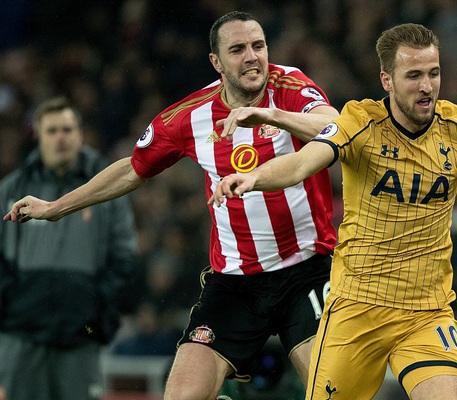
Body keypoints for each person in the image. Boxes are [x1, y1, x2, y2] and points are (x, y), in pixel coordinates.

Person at [213, 23, 457, 399]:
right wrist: (253, 177)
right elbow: (300, 164)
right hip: (355, 310)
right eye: (414, 75)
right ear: (387, 80)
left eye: (433, 73)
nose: (427, 86)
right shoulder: (359, 123)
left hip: (426, 314)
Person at [3, 11, 339, 400]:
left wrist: (271, 115)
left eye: (258, 46)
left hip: (308, 271)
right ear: (216, 62)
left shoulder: (290, 84)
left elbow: (333, 124)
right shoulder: (189, 116)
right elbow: (133, 169)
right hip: (235, 282)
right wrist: (57, 207)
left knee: (333, 392)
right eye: (237, 49)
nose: (252, 57)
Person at [0, 96, 137, 400]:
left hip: (80, 337)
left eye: (67, 129)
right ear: (37, 134)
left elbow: (124, 254)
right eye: (52, 130)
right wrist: (12, 304)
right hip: (22, 335)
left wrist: (95, 307)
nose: (60, 137)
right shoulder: (13, 188)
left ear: (80, 133)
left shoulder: (106, 186)